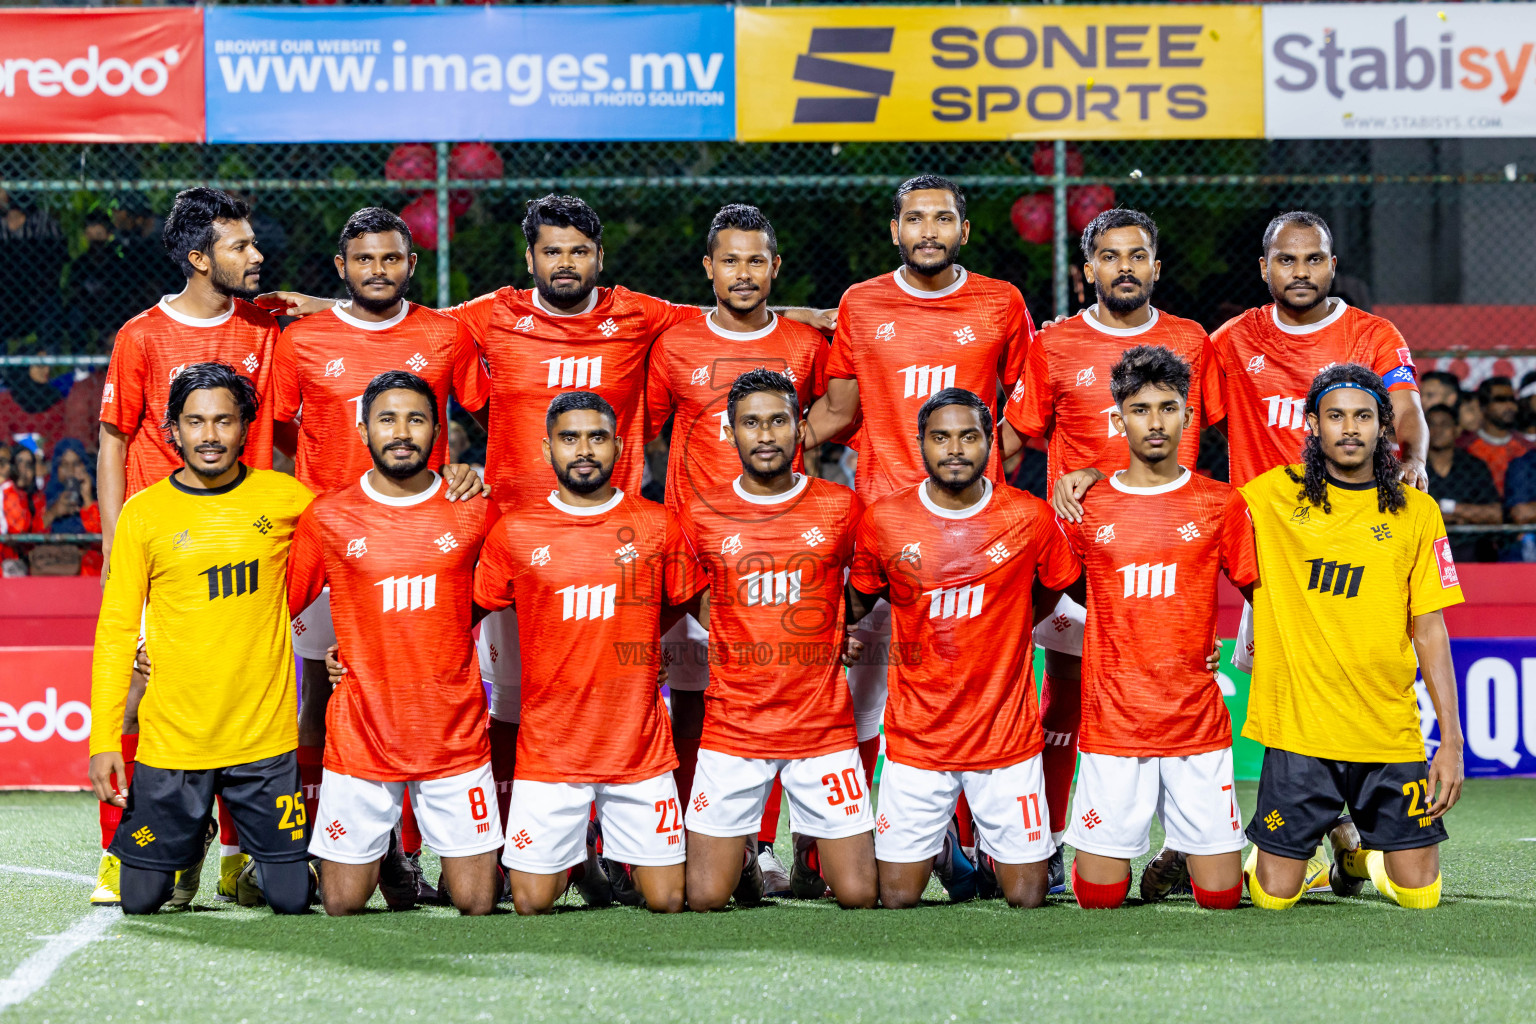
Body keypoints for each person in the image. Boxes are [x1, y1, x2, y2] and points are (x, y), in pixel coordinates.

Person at [804, 176, 1034, 855]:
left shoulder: (1002, 302)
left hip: (974, 541)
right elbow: (840, 412)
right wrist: (761, 449)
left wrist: (992, 477)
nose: (928, 230)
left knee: (971, 694)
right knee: (853, 693)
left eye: (942, 218)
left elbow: (1027, 402)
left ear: (964, 230)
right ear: (894, 229)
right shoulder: (862, 302)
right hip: (881, 533)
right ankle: (830, 846)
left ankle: (981, 849)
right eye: (914, 218)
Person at [272, 207, 490, 901]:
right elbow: (275, 434)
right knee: (316, 699)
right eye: (363, 260)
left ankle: (413, 853)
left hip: (426, 542)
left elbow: (488, 410)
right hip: (334, 544)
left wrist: (469, 473)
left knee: (424, 693)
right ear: (342, 268)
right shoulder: (302, 339)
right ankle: (319, 841)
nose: (377, 271)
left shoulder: (444, 332)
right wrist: (306, 501)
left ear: (410, 264)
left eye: (390, 259)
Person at [1001, 208, 1222, 895]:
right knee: (1068, 702)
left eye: (1138, 256)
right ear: (1087, 270)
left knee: (1180, 700)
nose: (1124, 267)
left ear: (1156, 268)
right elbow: (1011, 442)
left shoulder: (1190, 341)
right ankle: (1048, 846)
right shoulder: (1054, 345)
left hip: (1173, 569)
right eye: (1110, 256)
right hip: (1080, 569)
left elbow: (1202, 445)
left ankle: (1188, 846)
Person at [92, 186, 280, 906]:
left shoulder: (267, 325)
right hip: (162, 555)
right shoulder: (142, 335)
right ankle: (123, 853)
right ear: (200, 258)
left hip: (243, 551)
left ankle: (235, 856)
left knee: (242, 701)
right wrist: (116, 545)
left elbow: (348, 316)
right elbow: (113, 440)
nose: (256, 255)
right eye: (240, 246)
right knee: (135, 698)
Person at [646, 204, 831, 894]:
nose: (744, 273)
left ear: (775, 267)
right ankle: (690, 832)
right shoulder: (676, 347)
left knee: (775, 698)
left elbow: (835, 420)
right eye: (730, 260)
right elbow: (644, 439)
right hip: (693, 557)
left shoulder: (807, 347)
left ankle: (766, 843)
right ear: (709, 269)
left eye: (757, 260)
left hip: (778, 564)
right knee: (691, 701)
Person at [87, 362, 315, 915]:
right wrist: (104, 741)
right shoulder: (144, 514)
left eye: (223, 421)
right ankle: (193, 834)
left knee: (292, 898)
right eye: (195, 422)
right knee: (139, 902)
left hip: (262, 738)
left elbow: (362, 530)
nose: (209, 436)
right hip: (174, 740)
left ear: (245, 427)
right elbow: (116, 630)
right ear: (173, 428)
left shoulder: (287, 499)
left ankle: (270, 857)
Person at [1239, 364, 1463, 911]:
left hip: (1386, 730)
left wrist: (1452, 742)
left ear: (1384, 427)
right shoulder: (1268, 498)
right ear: (1312, 425)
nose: (1349, 428)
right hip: (1300, 730)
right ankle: (1289, 859)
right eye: (1335, 415)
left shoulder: (1418, 512)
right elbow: (1178, 498)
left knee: (1422, 895)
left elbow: (1431, 632)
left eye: (1363, 416)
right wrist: (1098, 477)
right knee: (1274, 897)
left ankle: (1353, 855)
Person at [848, 388, 1079, 909]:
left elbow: (1060, 589)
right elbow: (857, 604)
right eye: (941, 437)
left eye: (969, 436)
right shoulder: (886, 521)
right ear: (920, 445)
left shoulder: (1030, 517)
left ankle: (992, 850)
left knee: (1028, 897)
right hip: (917, 741)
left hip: (1007, 741)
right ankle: (948, 847)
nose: (955, 449)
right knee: (896, 898)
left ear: (990, 443)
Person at [288, 372, 500, 916]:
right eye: (387, 419)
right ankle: (383, 849)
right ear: (363, 431)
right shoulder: (329, 516)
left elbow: (496, 591)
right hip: (363, 732)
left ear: (438, 432)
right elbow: (276, 608)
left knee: (478, 902)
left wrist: (438, 627)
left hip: (453, 732)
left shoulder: (476, 508)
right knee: (340, 904)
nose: (401, 432)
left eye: (416, 419)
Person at [472, 391, 687, 915]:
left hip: (636, 747)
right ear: (547, 450)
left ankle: (603, 849)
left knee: (669, 900)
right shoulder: (516, 531)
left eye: (596, 437)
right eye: (569, 438)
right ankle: (585, 859)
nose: (583, 449)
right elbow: (468, 611)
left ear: (619, 445)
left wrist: (643, 640)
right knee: (530, 902)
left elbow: (685, 598)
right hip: (551, 749)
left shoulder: (658, 524)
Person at [1056, 346, 1256, 909]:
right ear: (1118, 419)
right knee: (1099, 900)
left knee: (1220, 900)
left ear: (1188, 415)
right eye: (1140, 409)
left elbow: (1257, 591)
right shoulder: (1086, 506)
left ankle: (1179, 853)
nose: (1156, 421)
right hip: (1114, 723)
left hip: (1196, 722)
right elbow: (1060, 591)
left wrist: (1244, 647)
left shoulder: (1220, 503)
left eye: (1168, 407)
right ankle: (1164, 852)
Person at [669, 369, 875, 910]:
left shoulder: (840, 506)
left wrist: (832, 626)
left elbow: (867, 584)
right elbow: (689, 593)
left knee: (859, 894)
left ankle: (809, 857)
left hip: (822, 727)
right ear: (730, 432)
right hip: (735, 726)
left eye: (778, 421)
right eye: (751, 424)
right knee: (705, 899)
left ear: (799, 427)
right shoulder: (699, 514)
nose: (765, 435)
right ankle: (741, 862)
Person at [1423, 403, 1503, 563]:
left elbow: (1495, 514)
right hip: (1426, 546)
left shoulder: (1473, 466)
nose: (1437, 430)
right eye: (1432, 424)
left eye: (1444, 424)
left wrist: (1445, 507)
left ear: (1457, 430)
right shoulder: (1415, 467)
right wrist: (1463, 516)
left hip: (1472, 546)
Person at [1461, 376, 1529, 495]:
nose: (1509, 406)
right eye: (1500, 400)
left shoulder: (1526, 447)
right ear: (1483, 406)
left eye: (1512, 400)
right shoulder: (1465, 447)